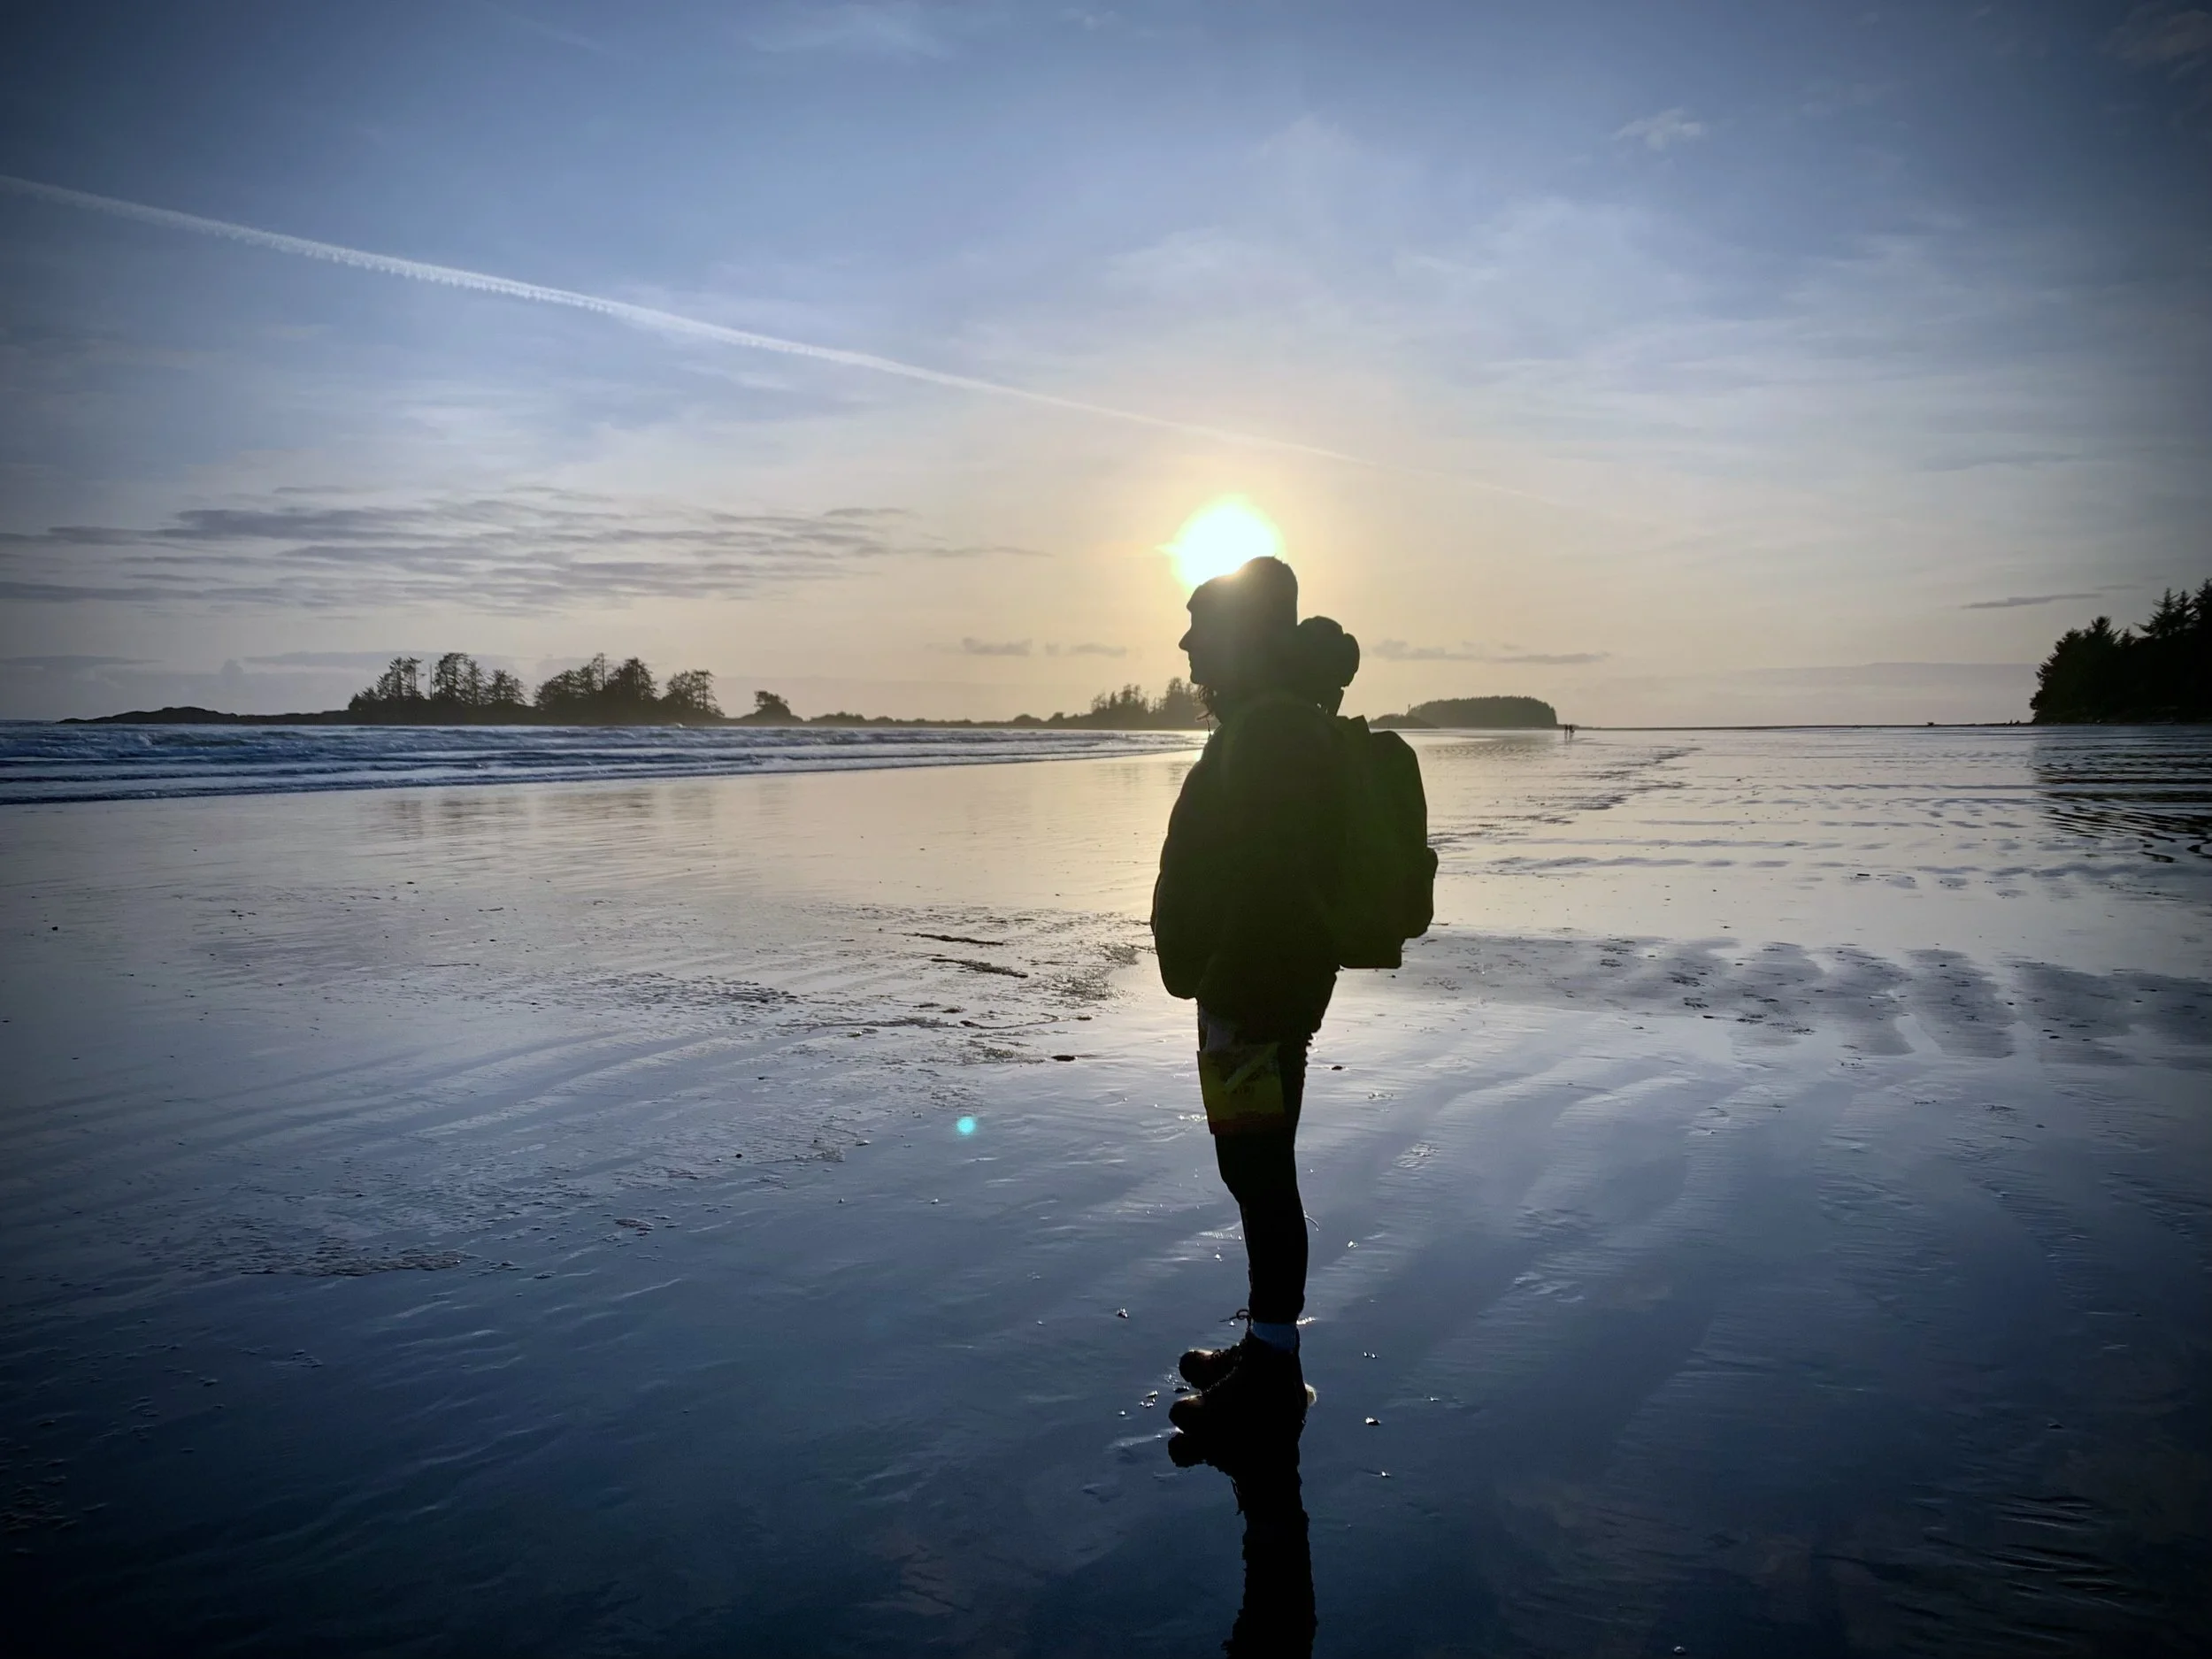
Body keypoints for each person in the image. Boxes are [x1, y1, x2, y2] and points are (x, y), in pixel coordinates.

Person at [1151, 557, 1360, 1434]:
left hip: (1254, 993)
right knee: (1254, 1171)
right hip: (1255, 987)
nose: (1187, 641)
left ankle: (1273, 1366)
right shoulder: (1270, 722)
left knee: (1259, 1172)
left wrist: (1226, 981)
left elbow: (1268, 874)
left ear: (1242, 637)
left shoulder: (1271, 730)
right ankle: (1268, 1345)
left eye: (1201, 625)